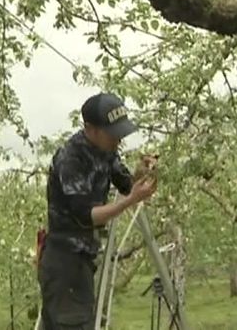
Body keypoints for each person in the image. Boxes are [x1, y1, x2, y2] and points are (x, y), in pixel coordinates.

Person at [38, 93, 158, 328]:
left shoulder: (106, 151)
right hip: (65, 262)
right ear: (90, 129)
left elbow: (125, 184)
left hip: (82, 260)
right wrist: (131, 201)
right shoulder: (71, 160)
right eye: (112, 134)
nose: (118, 140)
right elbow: (87, 215)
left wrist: (142, 174)